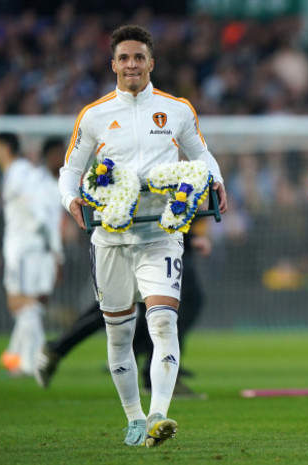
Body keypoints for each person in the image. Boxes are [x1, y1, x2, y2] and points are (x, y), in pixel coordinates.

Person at [58, 24, 227, 448]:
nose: (132, 64)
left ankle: (158, 416)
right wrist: (70, 200)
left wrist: (218, 179)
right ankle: (133, 417)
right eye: (124, 58)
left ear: (152, 62)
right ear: (113, 63)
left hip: (161, 234)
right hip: (111, 240)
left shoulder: (177, 109)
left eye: (139, 57)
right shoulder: (94, 115)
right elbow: (70, 170)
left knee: (164, 321)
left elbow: (201, 154)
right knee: (118, 334)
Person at [34, 230, 212, 399]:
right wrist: (189, 236)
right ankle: (156, 371)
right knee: (124, 306)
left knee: (137, 306)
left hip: (154, 236)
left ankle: (155, 366)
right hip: (141, 237)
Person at [0, 132, 61, 377]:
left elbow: (34, 206)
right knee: (32, 304)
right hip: (35, 248)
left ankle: (34, 360)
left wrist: (40, 230)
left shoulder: (17, 171)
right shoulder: (28, 172)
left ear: (5, 148)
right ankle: (16, 356)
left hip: (23, 247)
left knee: (19, 303)